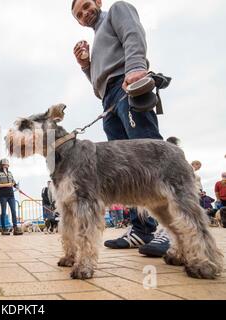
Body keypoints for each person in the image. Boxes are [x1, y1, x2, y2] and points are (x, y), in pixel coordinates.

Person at [71, 0, 169, 256]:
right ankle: (142, 229)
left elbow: (133, 33)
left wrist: (136, 67)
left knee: (150, 156)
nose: (84, 13)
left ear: (98, 2)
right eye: (79, 14)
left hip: (126, 85)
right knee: (126, 170)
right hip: (108, 99)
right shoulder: (96, 40)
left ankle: (169, 228)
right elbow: (97, 83)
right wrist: (86, 66)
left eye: (86, 5)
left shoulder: (116, 10)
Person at [0, 159, 23, 236]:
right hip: (3, 195)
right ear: (1, 165)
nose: (6, 165)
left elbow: (13, 183)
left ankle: (15, 228)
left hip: (11, 195)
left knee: (14, 211)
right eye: (4, 164)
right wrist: (7, 184)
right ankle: (3, 229)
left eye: (7, 164)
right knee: (3, 212)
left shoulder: (10, 173)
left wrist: (16, 186)